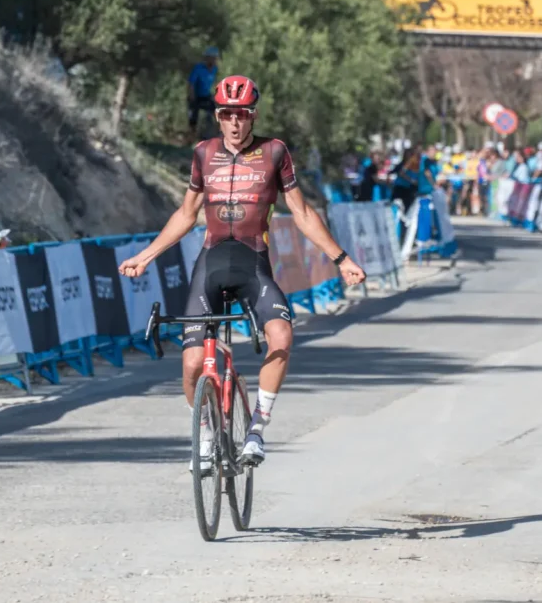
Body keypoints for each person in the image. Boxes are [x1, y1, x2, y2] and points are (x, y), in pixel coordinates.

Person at [117, 75, 366, 469]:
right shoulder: (203, 153)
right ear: (217, 116)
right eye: (228, 114)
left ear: (253, 116)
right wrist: (146, 256)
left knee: (282, 336)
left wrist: (342, 259)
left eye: (244, 114)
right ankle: (205, 430)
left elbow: (300, 212)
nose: (236, 123)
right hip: (211, 261)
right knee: (192, 363)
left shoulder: (274, 152)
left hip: (253, 262)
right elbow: (186, 213)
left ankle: (255, 431)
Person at [187, 46, 219, 140]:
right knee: (193, 118)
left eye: (215, 58)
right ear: (207, 58)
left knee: (219, 113)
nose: (213, 60)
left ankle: (218, 136)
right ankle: (191, 138)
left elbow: (212, 82)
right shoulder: (198, 68)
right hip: (195, 96)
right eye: (212, 58)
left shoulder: (214, 69)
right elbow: (191, 83)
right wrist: (191, 96)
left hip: (206, 96)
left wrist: (215, 95)